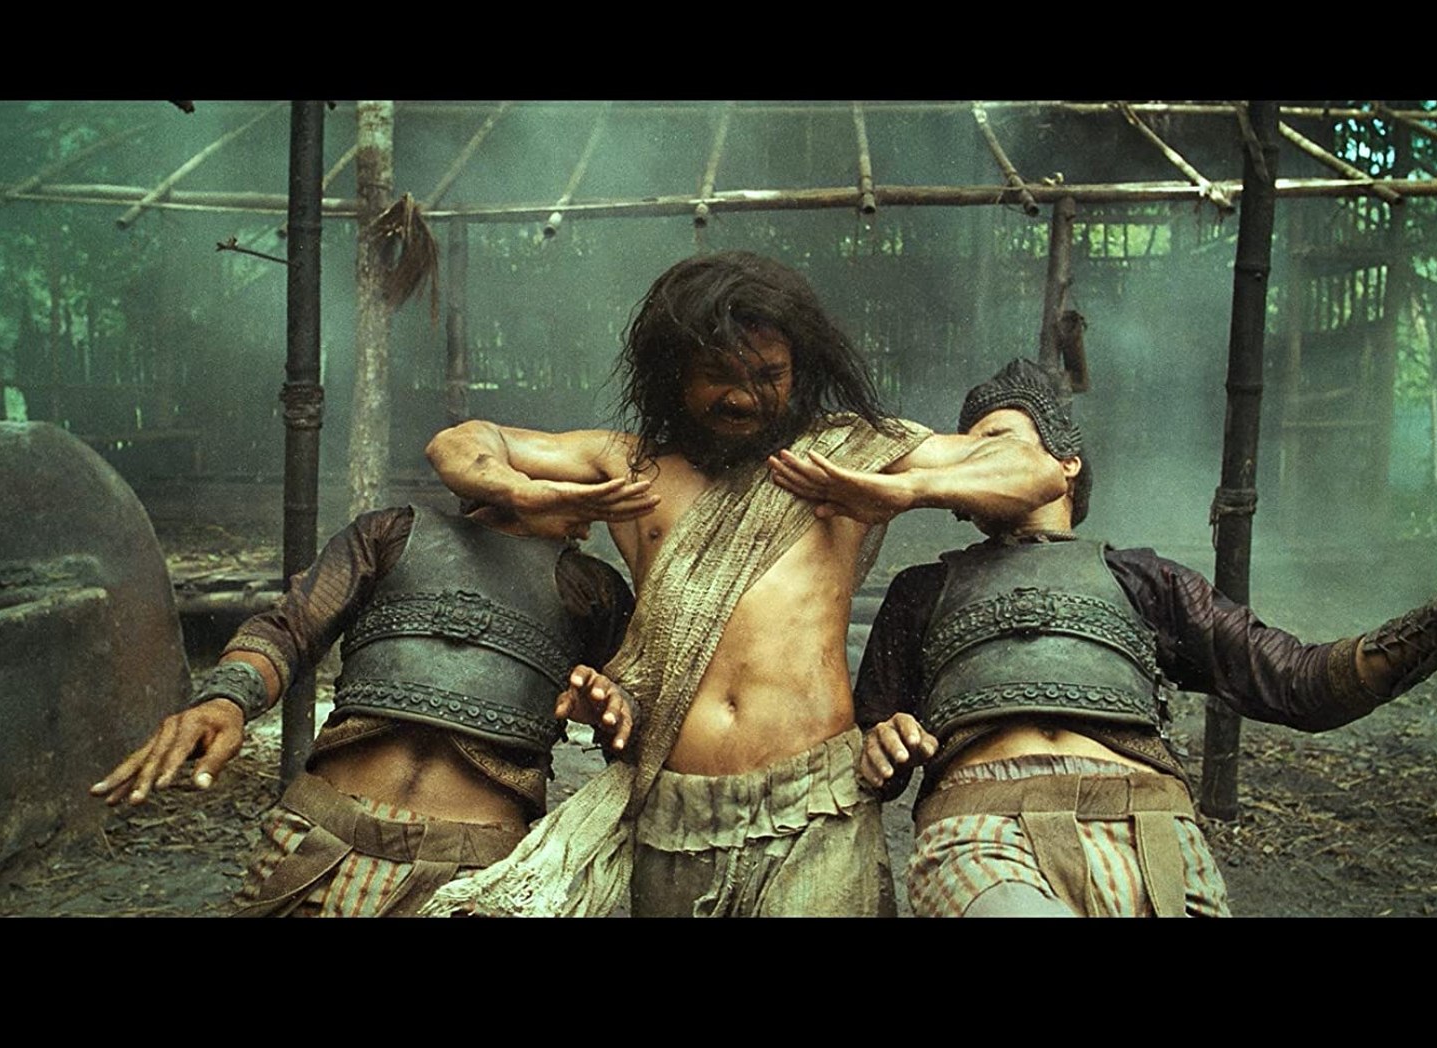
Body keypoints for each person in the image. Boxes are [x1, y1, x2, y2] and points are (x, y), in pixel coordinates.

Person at [419, 251, 1068, 917]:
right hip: (674, 814)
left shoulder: (849, 456)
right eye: (718, 376)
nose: (745, 396)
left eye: (768, 375)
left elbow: (1035, 471)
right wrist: (524, 492)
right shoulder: (633, 465)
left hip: (815, 809)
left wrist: (902, 491)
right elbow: (463, 442)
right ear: (674, 375)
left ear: (799, 371)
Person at [852, 357, 1437, 916]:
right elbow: (869, 759)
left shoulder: (1144, 580)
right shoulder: (922, 592)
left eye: (997, 443)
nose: (974, 461)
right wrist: (880, 744)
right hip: (984, 831)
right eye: (965, 451)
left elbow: (1298, 684)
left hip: (1152, 830)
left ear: (1065, 462)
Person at [89, 502, 637, 917]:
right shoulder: (391, 533)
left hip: (473, 870)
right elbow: (291, 628)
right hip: (314, 839)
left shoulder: (594, 589)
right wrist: (227, 698)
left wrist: (612, 713)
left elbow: (640, 734)